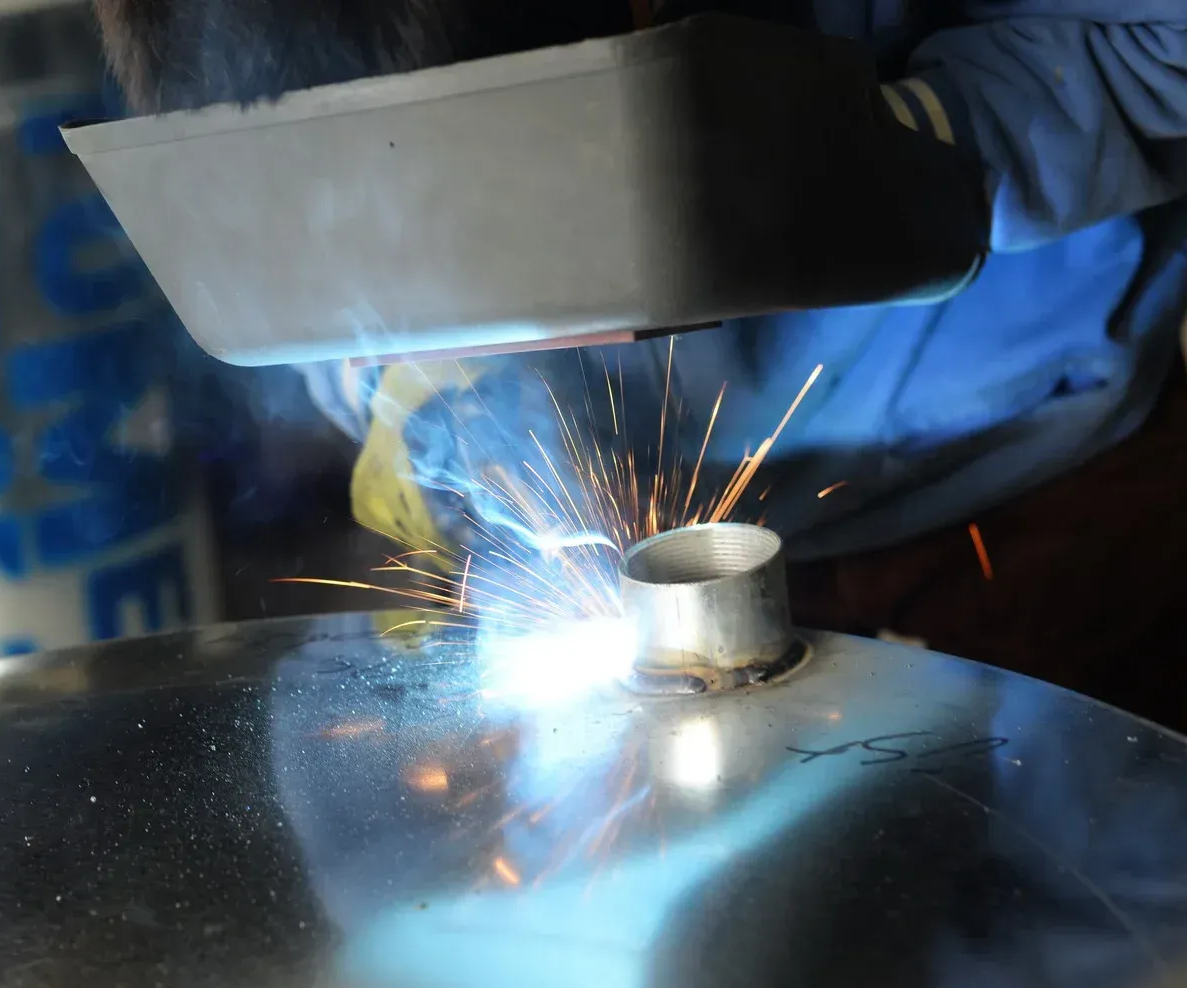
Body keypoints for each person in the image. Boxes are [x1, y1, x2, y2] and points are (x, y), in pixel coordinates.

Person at [91, 1, 1187, 715]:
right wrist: (400, 377)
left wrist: (888, 157)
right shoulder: (227, 54)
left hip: (1027, 490)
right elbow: (292, 250)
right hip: (664, 552)